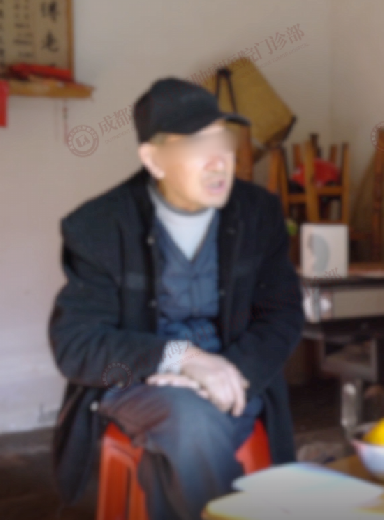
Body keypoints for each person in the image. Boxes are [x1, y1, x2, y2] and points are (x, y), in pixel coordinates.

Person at [48, 78, 304, 520]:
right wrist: (179, 358)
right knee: (190, 423)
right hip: (137, 382)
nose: (219, 162)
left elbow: (282, 314)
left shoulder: (257, 213)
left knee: (181, 442)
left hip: (234, 375)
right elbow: (76, 345)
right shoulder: (99, 225)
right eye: (197, 146)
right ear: (154, 160)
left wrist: (229, 371)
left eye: (224, 142)